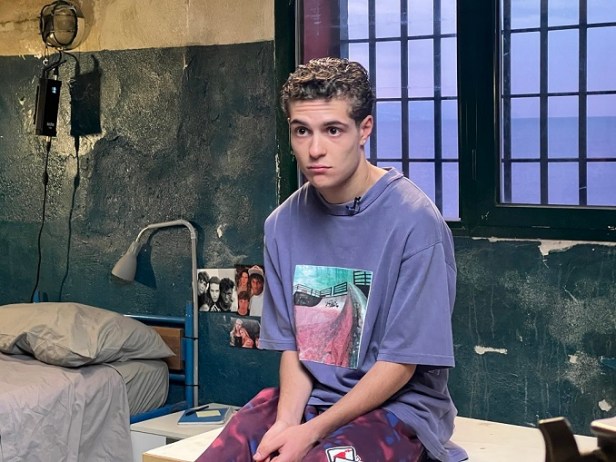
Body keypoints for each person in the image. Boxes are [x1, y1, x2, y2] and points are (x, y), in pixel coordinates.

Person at [196, 57, 467, 462]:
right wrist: (287, 424)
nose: (315, 149)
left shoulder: (415, 223)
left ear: (364, 129)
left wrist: (311, 433)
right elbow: (294, 349)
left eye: (333, 130)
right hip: (309, 401)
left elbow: (400, 365)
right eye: (301, 131)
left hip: (398, 409)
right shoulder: (282, 225)